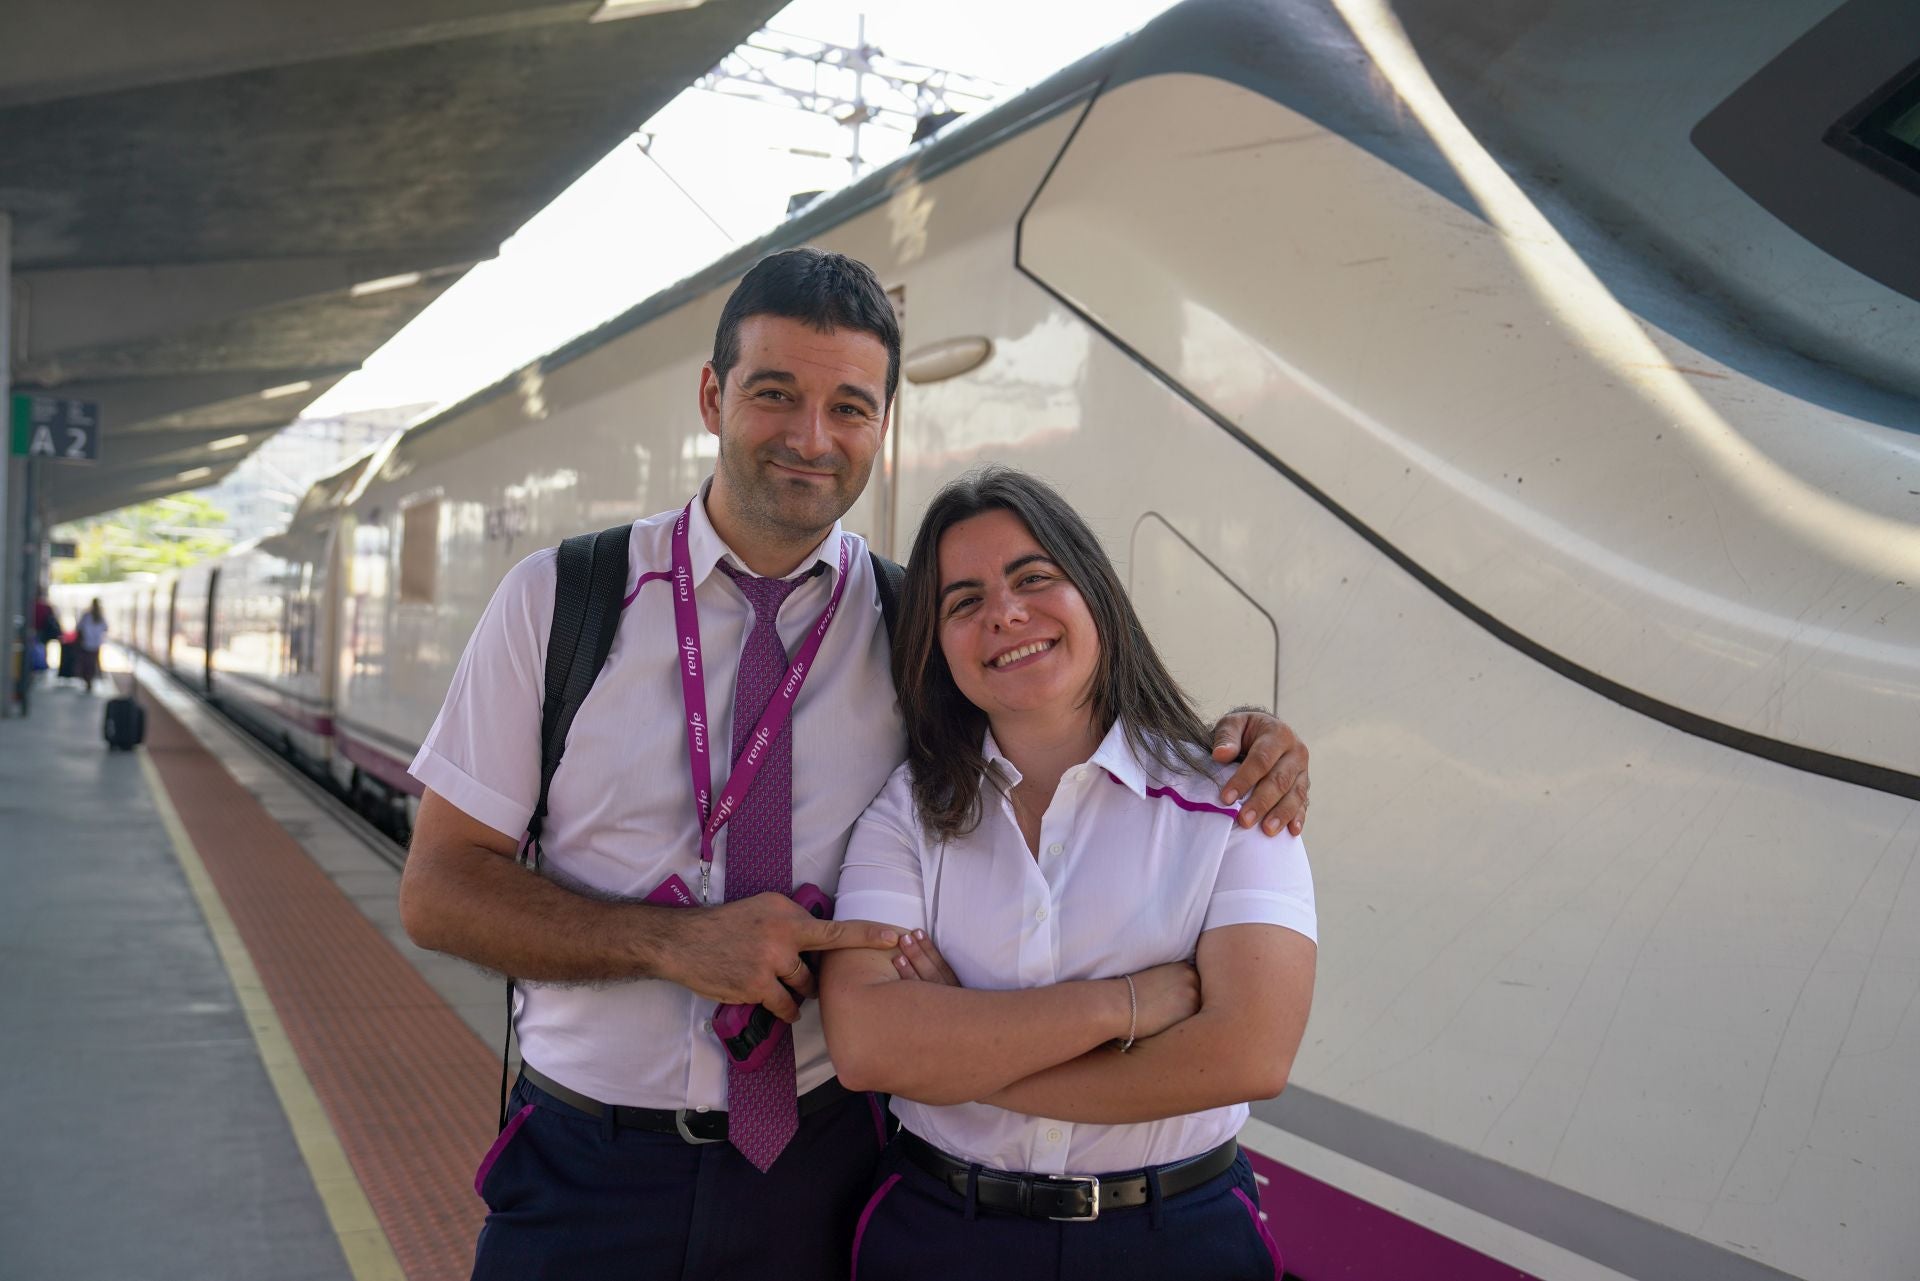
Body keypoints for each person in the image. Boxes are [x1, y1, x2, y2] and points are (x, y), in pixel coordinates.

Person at [397, 248, 1311, 1281]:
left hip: (824, 1172)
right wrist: (671, 943)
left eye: (849, 407)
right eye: (774, 394)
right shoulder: (561, 600)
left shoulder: (923, 630)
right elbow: (438, 890)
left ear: (883, 425)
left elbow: (1067, 714)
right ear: (712, 397)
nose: (811, 437)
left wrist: (1247, 740)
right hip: (586, 1167)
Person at [820, 467, 1316, 1281]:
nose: (1005, 613)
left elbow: (1247, 1056)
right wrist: (1125, 1004)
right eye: (964, 601)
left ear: (1096, 594)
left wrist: (959, 1056)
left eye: (1033, 577)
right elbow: (868, 1045)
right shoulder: (904, 812)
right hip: (942, 1236)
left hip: (1176, 1241)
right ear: (937, 647)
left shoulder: (1231, 797)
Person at [76, 599, 108, 693]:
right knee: (93, 662)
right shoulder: (100, 617)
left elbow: (79, 627)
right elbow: (106, 628)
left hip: (86, 643)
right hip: (96, 644)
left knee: (86, 662)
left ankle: (88, 680)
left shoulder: (86, 616)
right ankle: (91, 679)